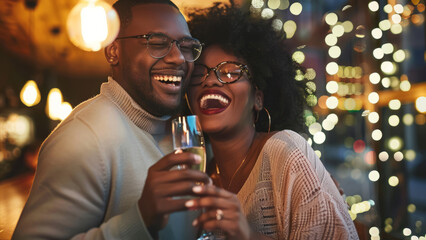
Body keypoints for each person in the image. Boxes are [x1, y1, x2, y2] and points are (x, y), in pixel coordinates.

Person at [12, 0, 210, 239]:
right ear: (113, 51)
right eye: (157, 43)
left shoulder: (186, 129)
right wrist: (139, 219)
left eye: (187, 46)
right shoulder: (82, 139)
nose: (179, 58)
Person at [184, 4, 359, 239]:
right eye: (199, 73)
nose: (211, 81)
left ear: (258, 98)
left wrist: (247, 234)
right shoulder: (201, 175)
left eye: (230, 71)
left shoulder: (285, 151)